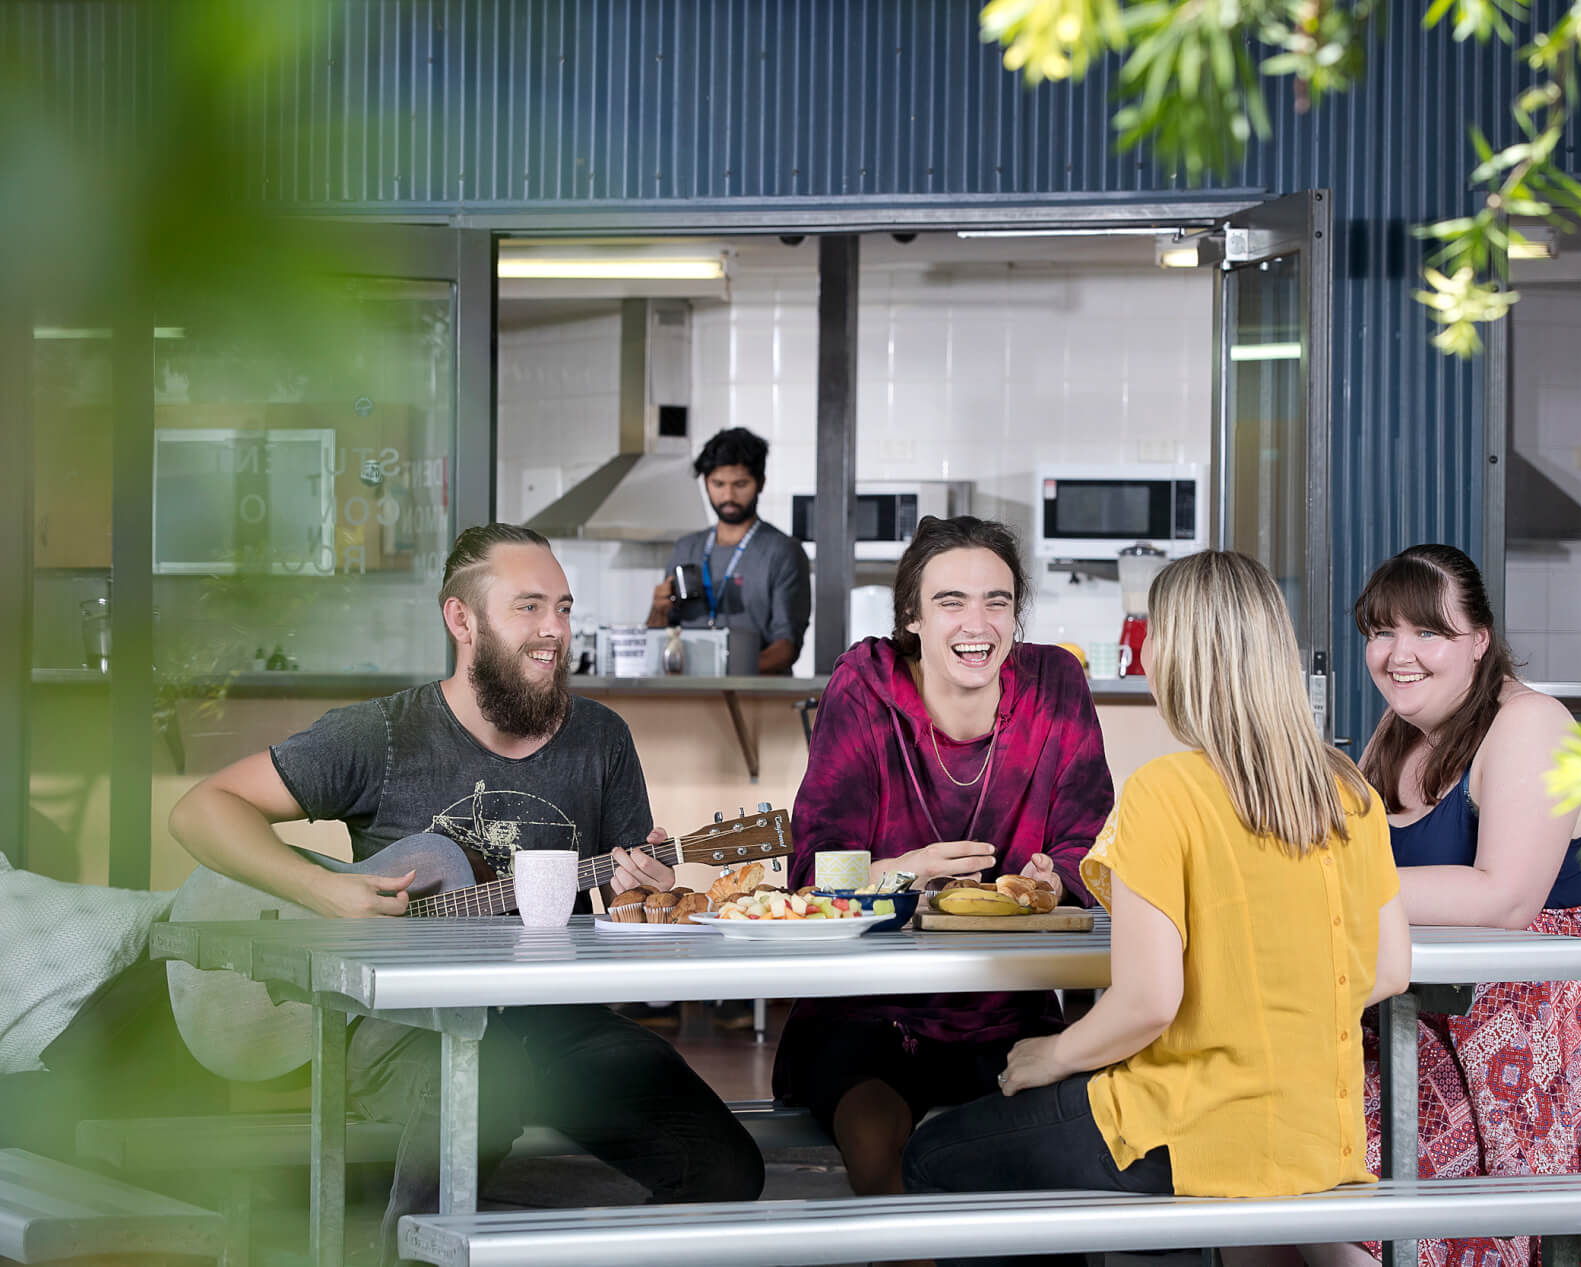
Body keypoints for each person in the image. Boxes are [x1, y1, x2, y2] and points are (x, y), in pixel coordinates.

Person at [168, 523, 764, 1265]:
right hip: (403, 1028)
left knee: (726, 1169)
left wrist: (646, 894)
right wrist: (321, 889)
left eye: (563, 608)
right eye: (529, 607)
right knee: (482, 1088)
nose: (555, 630)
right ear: (462, 619)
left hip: (559, 1022)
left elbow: (628, 902)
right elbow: (202, 809)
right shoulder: (384, 735)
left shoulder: (601, 738)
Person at [902, 549, 1412, 1267]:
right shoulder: (1348, 790)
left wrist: (1049, 1056)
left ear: (1176, 657)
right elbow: (1389, 969)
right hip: (1317, 1136)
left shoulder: (1164, 792)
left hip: (1189, 1129)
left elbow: (1147, 1003)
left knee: (934, 1154)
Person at [774, 515, 1115, 1200]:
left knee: (1059, 1164)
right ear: (913, 616)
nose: (976, 624)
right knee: (877, 1144)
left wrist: (1055, 878)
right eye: (950, 601)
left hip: (1011, 1007)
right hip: (867, 1011)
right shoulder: (863, 687)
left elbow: (1090, 844)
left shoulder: (1055, 682)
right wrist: (909, 870)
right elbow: (813, 874)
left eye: (997, 601)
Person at [1351, 543, 1581, 1267]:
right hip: (1425, 997)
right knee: (1283, 1113)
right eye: (1382, 631)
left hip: (1554, 1002)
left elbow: (1505, 896)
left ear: (1480, 641)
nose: (1399, 654)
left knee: (1383, 1148)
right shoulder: (1396, 736)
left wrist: (1322, 892)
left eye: (1429, 631)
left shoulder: (1530, 722)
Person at [647, 426, 811, 674]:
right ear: (705, 482)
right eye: (718, 484)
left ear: (760, 483)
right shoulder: (686, 548)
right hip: (688, 690)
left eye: (740, 484)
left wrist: (722, 673)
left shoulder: (784, 551)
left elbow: (786, 648)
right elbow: (657, 640)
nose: (728, 495)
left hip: (756, 692)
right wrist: (658, 610)